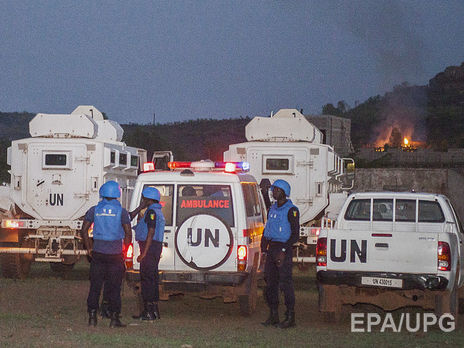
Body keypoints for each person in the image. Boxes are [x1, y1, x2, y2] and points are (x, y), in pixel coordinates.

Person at [80, 181, 132, 328]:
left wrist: (89, 248)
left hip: (98, 253)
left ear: (102, 193)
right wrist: (125, 249)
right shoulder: (122, 212)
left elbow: (83, 230)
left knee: (95, 287)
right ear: (117, 194)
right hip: (115, 254)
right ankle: (114, 319)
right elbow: (128, 233)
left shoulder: (94, 210)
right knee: (114, 288)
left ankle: (92, 317)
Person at [261, 179, 299, 329]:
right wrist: (264, 250)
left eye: (276, 190)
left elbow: (295, 235)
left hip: (283, 248)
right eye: (273, 190)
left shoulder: (292, 210)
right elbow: (267, 229)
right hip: (272, 248)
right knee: (271, 283)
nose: (273, 192)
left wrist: (283, 251)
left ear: (284, 192)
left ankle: (290, 316)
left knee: (285, 283)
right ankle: (274, 314)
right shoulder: (272, 209)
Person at [129, 187, 165, 321]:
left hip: (149, 248)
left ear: (148, 199)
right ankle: (154, 311)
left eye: (144, 198)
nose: (143, 200)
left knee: (147, 280)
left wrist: (143, 254)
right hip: (155, 248)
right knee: (153, 278)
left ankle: (148, 312)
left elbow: (151, 232)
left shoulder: (151, 212)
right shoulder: (157, 211)